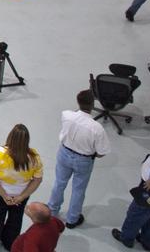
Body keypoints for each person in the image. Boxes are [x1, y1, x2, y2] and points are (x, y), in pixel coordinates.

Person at [45, 88, 110, 229]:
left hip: (64, 153)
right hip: (83, 160)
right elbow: (101, 152)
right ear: (93, 105)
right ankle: (72, 219)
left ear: (78, 102)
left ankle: (52, 211)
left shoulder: (66, 115)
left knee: (59, 183)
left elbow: (73, 117)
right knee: (78, 189)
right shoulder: (97, 128)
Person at [0, 124, 44, 251]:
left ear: (10, 137)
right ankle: (10, 243)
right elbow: (38, 179)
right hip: (20, 195)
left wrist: (4, 195)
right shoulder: (34, 157)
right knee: (15, 220)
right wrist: (22, 196)